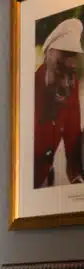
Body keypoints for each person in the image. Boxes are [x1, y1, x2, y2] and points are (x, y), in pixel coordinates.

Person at [35, 17, 83, 189]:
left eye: (71, 73)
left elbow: (73, 147)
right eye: (58, 71)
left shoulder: (73, 85)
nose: (65, 83)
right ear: (45, 62)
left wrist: (78, 181)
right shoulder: (30, 94)